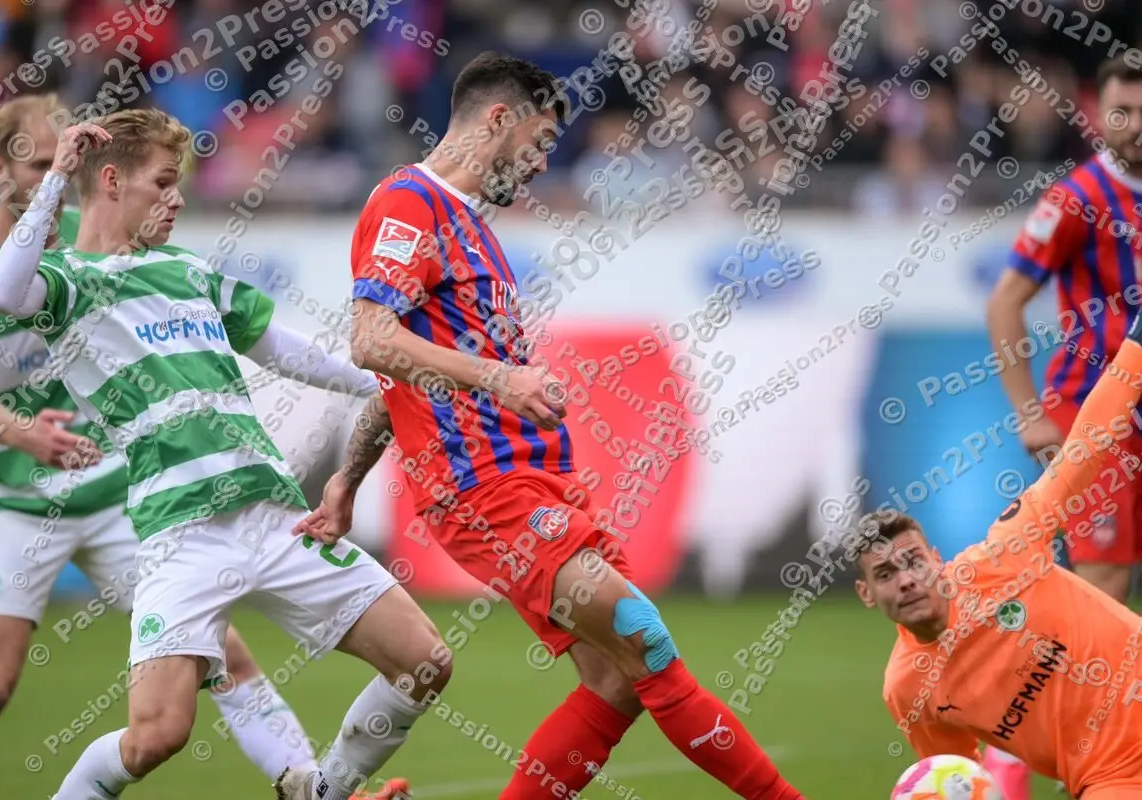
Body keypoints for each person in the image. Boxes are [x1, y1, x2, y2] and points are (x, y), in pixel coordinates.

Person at [295, 51, 804, 800]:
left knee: (618, 679)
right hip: (484, 489)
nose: (539, 166)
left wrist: (347, 477)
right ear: (497, 119)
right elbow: (371, 340)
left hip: (542, 483)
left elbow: (398, 377)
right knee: (644, 637)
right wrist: (503, 377)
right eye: (537, 144)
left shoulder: (474, 231)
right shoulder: (409, 204)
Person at [0, 108, 443, 800]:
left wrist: (392, 380)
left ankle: (323, 791)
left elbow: (284, 349)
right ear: (109, 180)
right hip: (181, 538)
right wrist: (55, 176)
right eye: (163, 183)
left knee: (425, 661)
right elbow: (1, 291)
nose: (177, 198)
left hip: (276, 517)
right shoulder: (68, 282)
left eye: (180, 185)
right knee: (156, 737)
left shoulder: (187, 270)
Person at [0, 94, 320, 795]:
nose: (65, 172)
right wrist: (20, 432)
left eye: (75, 156)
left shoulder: (106, 253)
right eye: (46, 163)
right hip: (20, 503)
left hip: (121, 493)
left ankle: (308, 780)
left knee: (223, 655)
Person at [856, 308, 1142, 800]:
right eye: (885, 573)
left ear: (937, 558)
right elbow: (957, 778)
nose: (905, 580)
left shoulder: (1005, 554)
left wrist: (1136, 347)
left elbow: (1083, 450)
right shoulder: (908, 690)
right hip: (1115, 780)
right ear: (866, 594)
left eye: (913, 562)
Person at [985, 53, 1142, 800]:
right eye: (1122, 111)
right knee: (1100, 598)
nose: (1134, 125)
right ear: (1100, 114)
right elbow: (1004, 302)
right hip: (1098, 423)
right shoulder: (1079, 197)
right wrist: (1028, 414)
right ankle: (1038, 769)